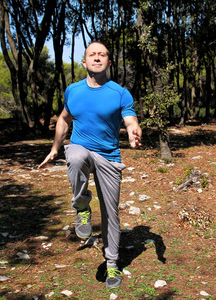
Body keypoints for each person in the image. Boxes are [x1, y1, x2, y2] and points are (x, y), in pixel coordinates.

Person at [38, 41, 142, 289]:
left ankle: (113, 262)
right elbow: (64, 119)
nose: (97, 58)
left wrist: (132, 130)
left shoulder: (119, 93)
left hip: (108, 156)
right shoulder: (73, 90)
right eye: (92, 55)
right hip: (81, 147)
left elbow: (130, 119)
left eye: (102, 55)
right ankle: (82, 207)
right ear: (84, 62)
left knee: (111, 213)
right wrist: (55, 148)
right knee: (74, 157)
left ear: (108, 62)